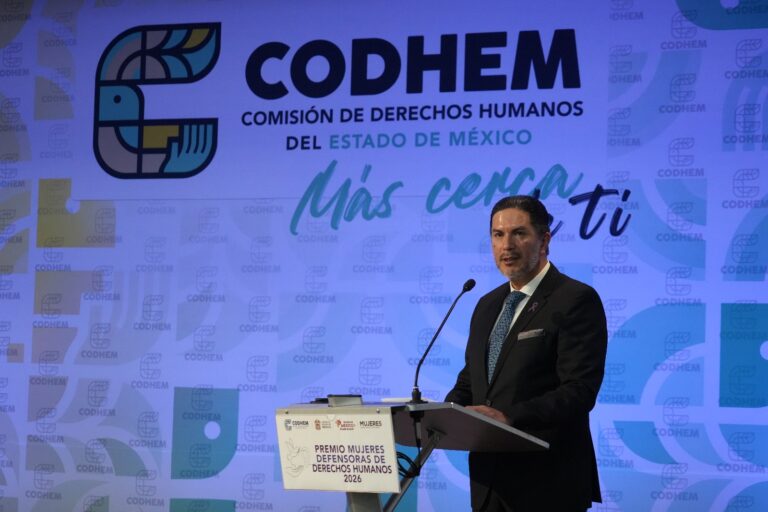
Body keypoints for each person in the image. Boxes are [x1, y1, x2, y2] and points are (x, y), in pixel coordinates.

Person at [445, 195, 608, 511]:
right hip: (488, 482)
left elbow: (579, 391)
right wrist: (444, 414)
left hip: (548, 482)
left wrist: (509, 417)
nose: (506, 245)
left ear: (544, 241)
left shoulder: (575, 299)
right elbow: (472, 379)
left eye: (519, 233)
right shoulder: (487, 305)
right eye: (498, 235)